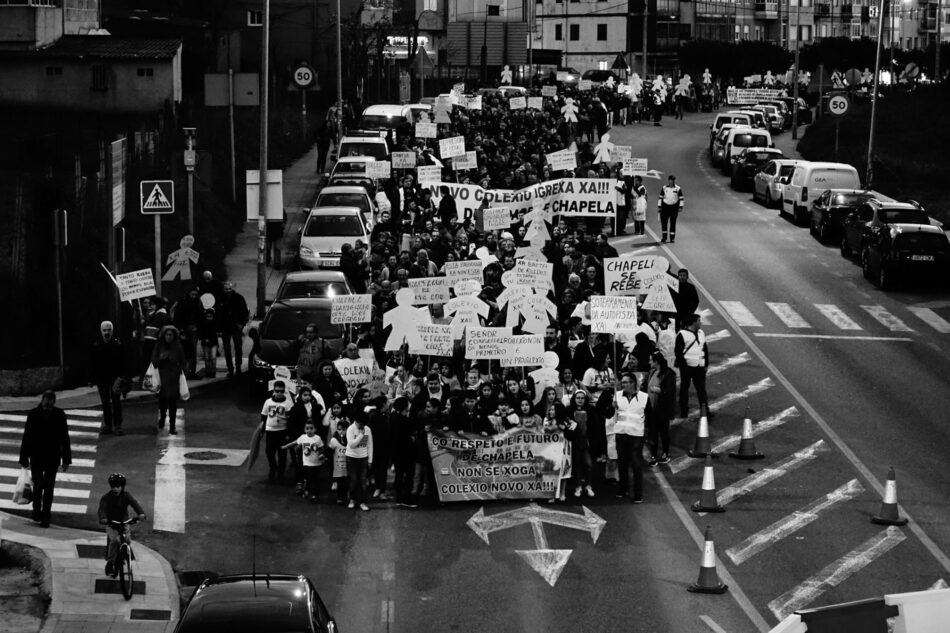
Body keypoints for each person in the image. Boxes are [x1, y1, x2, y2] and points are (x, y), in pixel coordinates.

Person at [18, 391, 72, 527]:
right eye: (46, 403)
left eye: (50, 404)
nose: (47, 406)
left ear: (53, 402)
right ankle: (37, 508)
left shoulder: (59, 415)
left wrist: (66, 459)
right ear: (42, 401)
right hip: (37, 455)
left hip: (52, 456)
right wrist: (24, 458)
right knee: (38, 484)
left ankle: (46, 515)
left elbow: (65, 438)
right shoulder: (33, 414)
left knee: (49, 486)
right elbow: (27, 436)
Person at [97, 473, 146, 577]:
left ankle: (123, 555)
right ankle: (110, 563)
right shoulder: (106, 498)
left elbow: (135, 504)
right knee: (114, 540)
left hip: (124, 522)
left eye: (118, 487)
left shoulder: (126, 496)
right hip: (112, 523)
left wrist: (141, 513)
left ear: (122, 487)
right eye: (113, 486)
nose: (115, 489)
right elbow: (102, 509)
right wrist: (103, 518)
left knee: (127, 540)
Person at [89, 320, 129, 435]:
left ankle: (117, 425)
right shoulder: (96, 345)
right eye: (104, 330)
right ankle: (108, 425)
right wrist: (91, 378)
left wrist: (122, 377)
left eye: (109, 330)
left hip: (115, 378)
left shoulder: (118, 344)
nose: (107, 332)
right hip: (102, 378)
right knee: (105, 403)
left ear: (112, 330)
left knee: (116, 402)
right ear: (101, 331)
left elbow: (124, 362)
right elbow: (91, 362)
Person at [614, 373, 648, 503]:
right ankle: (623, 488)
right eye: (622, 383)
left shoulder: (644, 397)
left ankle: (638, 493)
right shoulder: (617, 396)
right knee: (622, 463)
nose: (623, 385)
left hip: (636, 436)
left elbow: (649, 416)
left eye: (626, 382)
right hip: (621, 434)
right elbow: (607, 413)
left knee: (636, 465)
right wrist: (610, 407)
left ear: (633, 383)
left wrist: (648, 435)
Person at [151, 325, 187, 435]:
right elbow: (153, 360)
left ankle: (172, 426)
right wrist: (161, 359)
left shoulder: (178, 347)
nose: (168, 337)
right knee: (162, 403)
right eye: (167, 334)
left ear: (174, 336)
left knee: (172, 404)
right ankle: (162, 418)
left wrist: (179, 371)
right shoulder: (159, 346)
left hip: (173, 379)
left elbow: (183, 362)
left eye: (170, 335)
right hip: (162, 378)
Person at [674, 313, 710, 420]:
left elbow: (705, 349)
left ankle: (705, 411)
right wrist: (683, 367)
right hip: (687, 367)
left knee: (702, 390)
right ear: (693, 322)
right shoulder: (682, 334)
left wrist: (706, 364)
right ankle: (684, 411)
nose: (701, 322)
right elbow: (678, 353)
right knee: (684, 389)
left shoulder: (701, 333)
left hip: (699, 366)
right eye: (699, 320)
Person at [281, 421, 325, 502]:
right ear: (304, 429)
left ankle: (315, 494)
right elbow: (294, 443)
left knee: (315, 479)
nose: (309, 430)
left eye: (311, 428)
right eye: (307, 428)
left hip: (316, 463)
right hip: (307, 463)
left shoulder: (317, 438)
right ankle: (308, 490)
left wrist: (321, 455)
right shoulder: (303, 437)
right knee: (308, 477)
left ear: (315, 429)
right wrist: (285, 446)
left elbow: (322, 448)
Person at [645, 352, 676, 466]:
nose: (649, 362)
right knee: (653, 433)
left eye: (650, 360)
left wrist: (659, 391)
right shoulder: (652, 372)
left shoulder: (668, 374)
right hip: (652, 408)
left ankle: (665, 454)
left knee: (663, 433)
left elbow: (670, 392)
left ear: (656, 361)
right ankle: (653, 455)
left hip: (662, 409)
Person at [260, 380, 293, 482]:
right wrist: (262, 431)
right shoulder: (268, 402)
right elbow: (263, 417)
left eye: (281, 391)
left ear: (284, 391)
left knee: (282, 453)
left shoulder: (288, 404)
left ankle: (281, 472)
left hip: (282, 431)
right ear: (273, 390)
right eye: (277, 391)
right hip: (270, 431)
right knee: (269, 452)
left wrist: (288, 433)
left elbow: (290, 420)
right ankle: (273, 467)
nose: (279, 393)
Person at [217, 281, 249, 377]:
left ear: (232, 289)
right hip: (225, 328)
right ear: (223, 289)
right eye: (226, 289)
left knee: (238, 347)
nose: (228, 291)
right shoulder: (220, 299)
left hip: (236, 327)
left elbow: (245, 312)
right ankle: (230, 369)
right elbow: (218, 314)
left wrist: (241, 324)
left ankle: (238, 367)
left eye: (229, 289)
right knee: (227, 349)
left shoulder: (239, 298)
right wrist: (219, 327)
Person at [345, 411, 374, 511]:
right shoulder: (350, 429)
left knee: (362, 481)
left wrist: (370, 460)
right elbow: (351, 445)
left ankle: (362, 501)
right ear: (356, 421)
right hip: (351, 457)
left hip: (363, 458)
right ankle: (352, 499)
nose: (362, 426)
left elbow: (370, 445)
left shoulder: (368, 429)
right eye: (361, 424)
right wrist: (361, 435)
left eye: (364, 425)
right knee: (353, 480)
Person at [657, 174, 684, 243]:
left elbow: (681, 198)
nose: (671, 182)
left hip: (674, 207)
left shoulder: (677, 188)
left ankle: (672, 238)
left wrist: (681, 206)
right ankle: (664, 237)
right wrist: (659, 206)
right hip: (665, 207)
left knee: (673, 222)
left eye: (673, 180)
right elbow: (660, 197)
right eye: (670, 180)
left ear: (674, 181)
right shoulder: (664, 188)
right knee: (664, 223)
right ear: (668, 181)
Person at [328, 419, 349, 504]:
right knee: (340, 482)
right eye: (339, 429)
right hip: (338, 465)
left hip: (347, 464)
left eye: (344, 430)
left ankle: (346, 495)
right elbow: (330, 451)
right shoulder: (334, 440)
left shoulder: (349, 440)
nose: (341, 432)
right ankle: (340, 497)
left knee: (347, 481)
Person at [196, 308, 219, 378]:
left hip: (210, 342)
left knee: (211, 358)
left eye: (210, 316)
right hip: (209, 342)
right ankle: (210, 371)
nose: (209, 318)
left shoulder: (209, 323)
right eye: (208, 316)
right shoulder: (205, 323)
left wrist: (204, 339)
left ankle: (210, 371)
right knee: (209, 358)